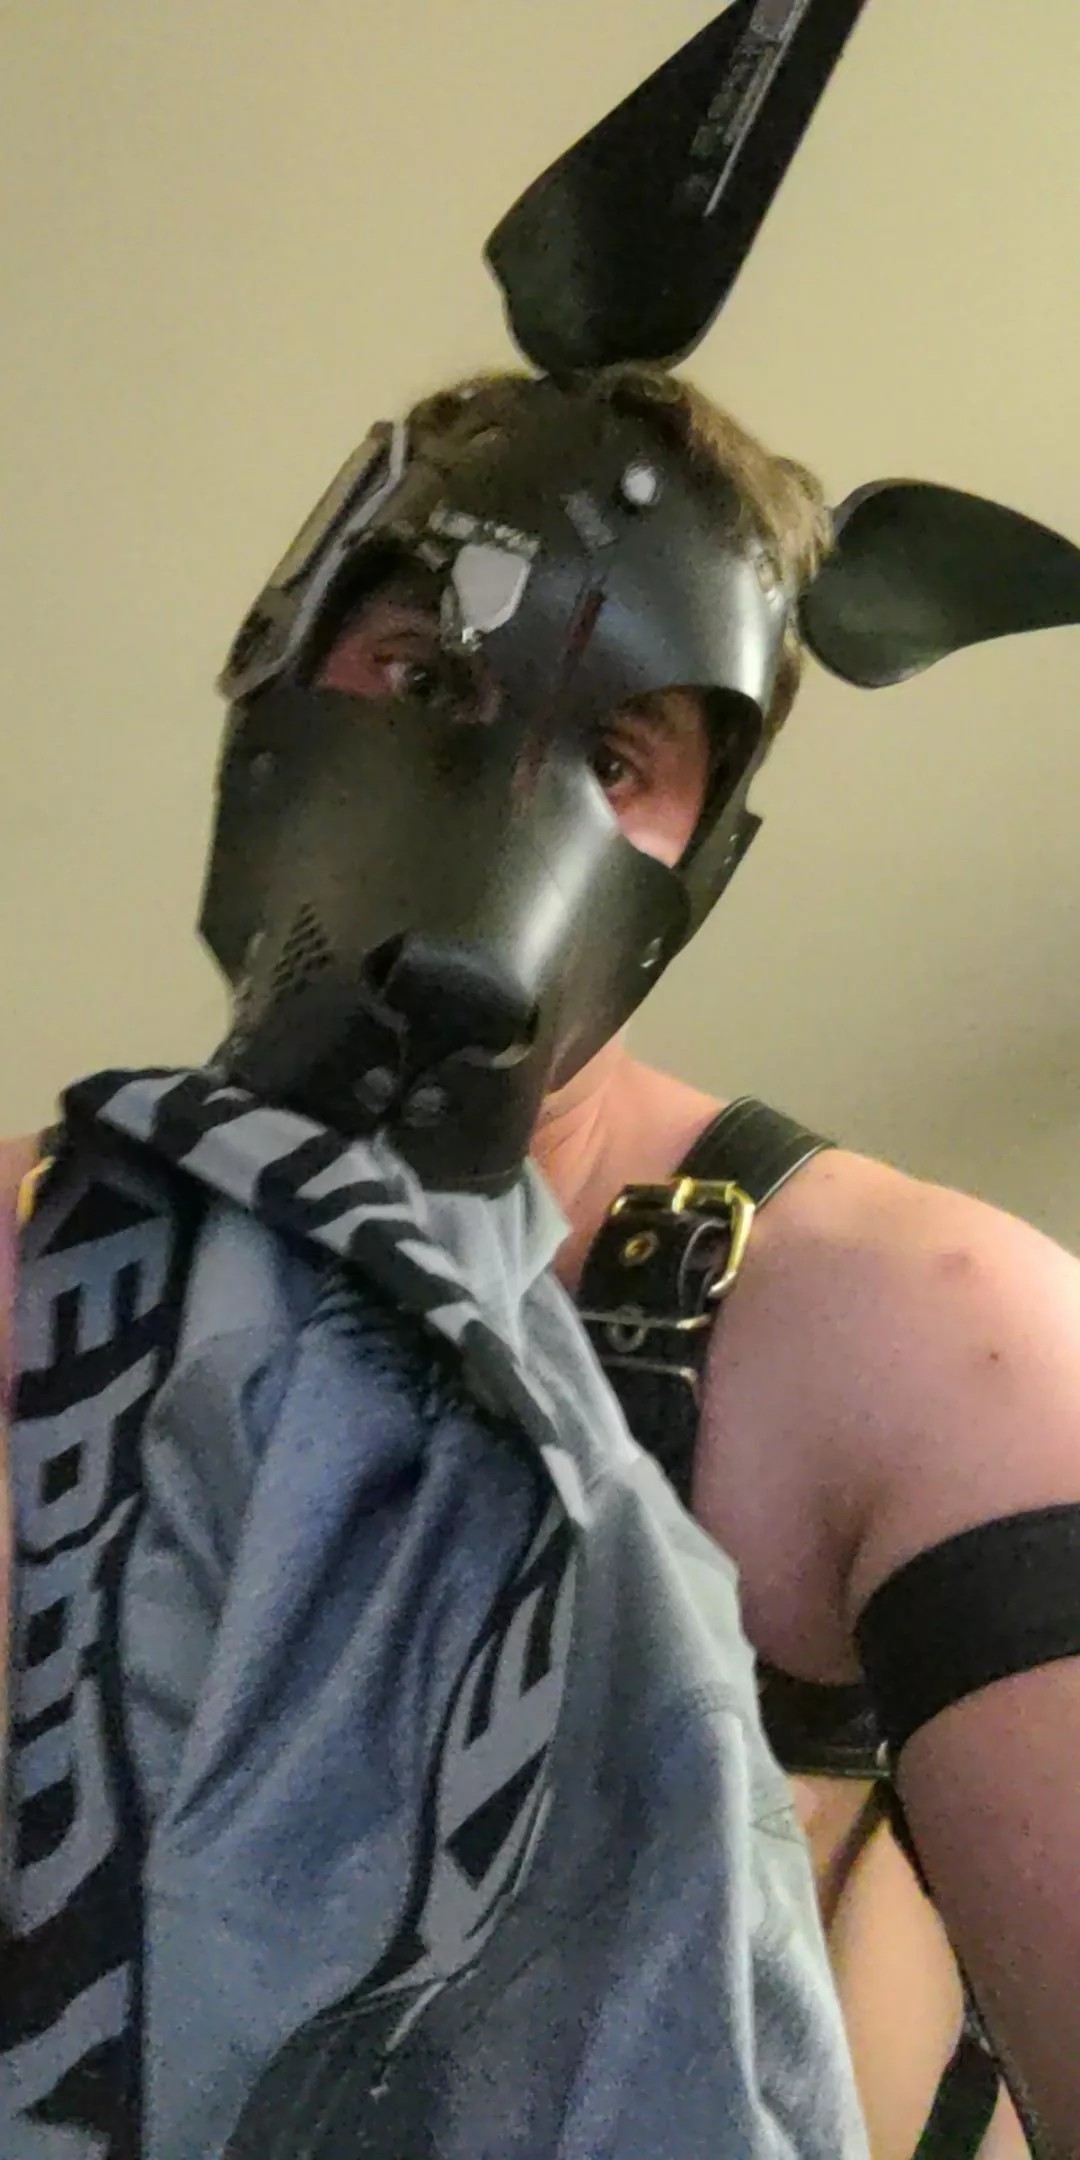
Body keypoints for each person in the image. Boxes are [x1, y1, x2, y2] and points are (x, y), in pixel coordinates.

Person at [4, 356, 1080, 2155]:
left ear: (701, 864)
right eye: (428, 678)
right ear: (275, 671)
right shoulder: (33, 1265)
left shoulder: (930, 1337)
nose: (494, 805)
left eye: (616, 758)